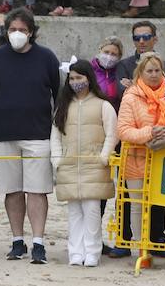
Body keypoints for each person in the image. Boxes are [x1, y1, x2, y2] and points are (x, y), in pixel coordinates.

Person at [0, 7, 60, 265]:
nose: (17, 34)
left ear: (31, 32)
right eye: (13, 29)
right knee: (12, 190)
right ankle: (17, 241)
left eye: (22, 30)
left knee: (37, 191)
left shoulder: (46, 57)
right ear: (6, 31)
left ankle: (38, 243)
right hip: (4, 135)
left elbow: (57, 92)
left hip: (38, 134)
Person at [116, 53, 165, 268]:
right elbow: (123, 130)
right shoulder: (131, 96)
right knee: (138, 205)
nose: (154, 74)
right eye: (149, 70)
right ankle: (142, 249)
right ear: (140, 72)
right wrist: (150, 132)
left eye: (158, 70)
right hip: (137, 158)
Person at [49, 61, 117, 267]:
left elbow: (112, 134)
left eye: (80, 78)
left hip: (94, 165)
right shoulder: (63, 106)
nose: (76, 82)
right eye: (72, 78)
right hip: (69, 165)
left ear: (89, 78)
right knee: (74, 212)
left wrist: (104, 156)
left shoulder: (103, 105)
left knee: (92, 209)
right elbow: (55, 135)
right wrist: (57, 158)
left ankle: (92, 251)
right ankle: (75, 252)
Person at [90, 37, 126, 109]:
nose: (109, 56)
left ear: (119, 57)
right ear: (100, 50)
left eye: (113, 54)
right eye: (106, 52)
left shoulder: (121, 72)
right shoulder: (89, 69)